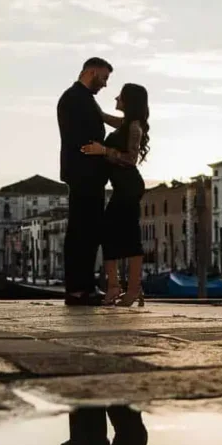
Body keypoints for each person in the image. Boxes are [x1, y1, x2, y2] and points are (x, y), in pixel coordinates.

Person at [81, 82, 149, 308]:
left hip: (130, 187)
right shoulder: (125, 123)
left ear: (129, 100)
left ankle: (130, 289)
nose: (116, 98)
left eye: (120, 95)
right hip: (122, 188)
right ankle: (116, 287)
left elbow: (131, 159)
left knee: (129, 236)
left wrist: (104, 151)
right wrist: (88, 102)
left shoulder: (134, 127)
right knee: (108, 233)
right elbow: (103, 116)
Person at [56, 57, 112, 307]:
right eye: (104, 78)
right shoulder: (73, 98)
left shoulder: (83, 99)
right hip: (83, 172)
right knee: (81, 231)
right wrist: (98, 149)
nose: (106, 84)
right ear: (91, 72)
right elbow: (77, 136)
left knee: (90, 231)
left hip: (89, 173)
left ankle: (84, 287)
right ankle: (78, 289)